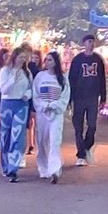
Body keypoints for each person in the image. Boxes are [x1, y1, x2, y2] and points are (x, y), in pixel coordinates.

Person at [68, 33, 107, 167]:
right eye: (89, 41)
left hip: (92, 97)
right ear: (84, 44)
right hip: (79, 97)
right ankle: (81, 154)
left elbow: (102, 78)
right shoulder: (77, 60)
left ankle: (86, 146)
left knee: (92, 125)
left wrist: (103, 97)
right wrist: (69, 98)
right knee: (78, 126)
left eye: (93, 41)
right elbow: (71, 79)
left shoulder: (98, 60)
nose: (91, 44)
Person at [32, 52, 70, 184]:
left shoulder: (63, 78)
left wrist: (55, 106)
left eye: (50, 60)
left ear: (55, 62)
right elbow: (35, 94)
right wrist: (43, 105)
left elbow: (65, 96)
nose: (47, 62)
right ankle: (43, 167)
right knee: (42, 142)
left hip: (56, 114)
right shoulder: (39, 76)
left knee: (54, 141)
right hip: (42, 114)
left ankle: (54, 169)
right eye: (46, 60)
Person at [0, 47, 32, 182]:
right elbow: (4, 90)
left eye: (24, 57)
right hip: (7, 104)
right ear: (14, 57)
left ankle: (13, 168)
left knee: (18, 136)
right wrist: (13, 78)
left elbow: (31, 88)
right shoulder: (5, 71)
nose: (23, 60)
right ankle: (6, 165)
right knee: (5, 136)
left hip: (21, 105)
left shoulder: (27, 72)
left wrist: (27, 95)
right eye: (20, 57)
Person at [26, 50, 42, 156]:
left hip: (38, 97)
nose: (34, 60)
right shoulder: (27, 70)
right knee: (29, 123)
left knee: (38, 122)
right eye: (33, 58)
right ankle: (30, 144)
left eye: (36, 58)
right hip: (29, 97)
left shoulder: (41, 72)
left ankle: (38, 144)